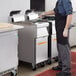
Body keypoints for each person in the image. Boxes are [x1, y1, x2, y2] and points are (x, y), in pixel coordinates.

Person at [40, 0, 73, 76]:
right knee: (60, 47)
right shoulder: (59, 1)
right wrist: (44, 13)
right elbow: (55, 11)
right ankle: (61, 65)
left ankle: (66, 71)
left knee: (64, 48)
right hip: (59, 26)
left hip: (63, 26)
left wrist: (66, 28)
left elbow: (69, 14)